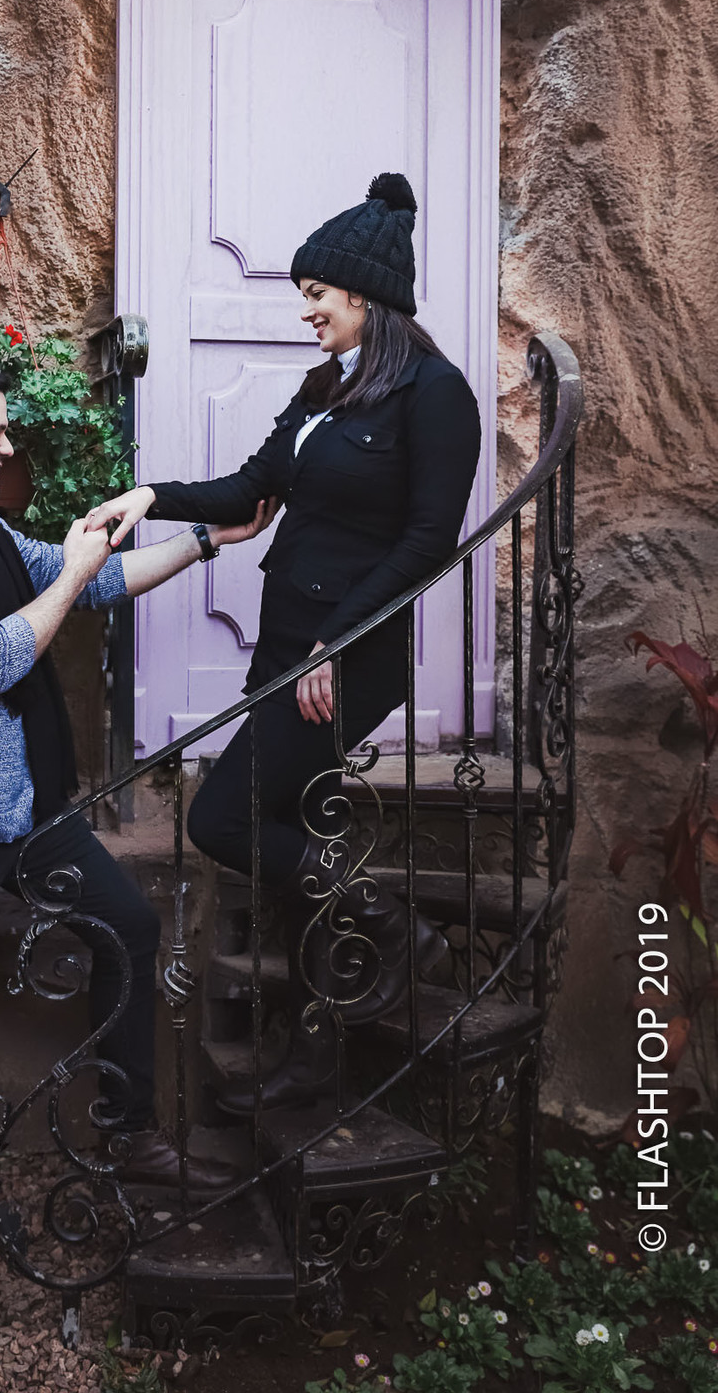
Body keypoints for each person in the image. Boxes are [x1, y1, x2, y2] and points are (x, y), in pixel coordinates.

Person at [0, 353, 274, 1312]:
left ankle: (128, 1131)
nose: (8, 445)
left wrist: (209, 539)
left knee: (126, 925)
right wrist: (76, 562)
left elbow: (93, 582)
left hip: (19, 804)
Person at [87, 174, 482, 1114]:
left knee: (220, 820)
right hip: (286, 648)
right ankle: (312, 1057)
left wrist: (336, 646)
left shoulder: (438, 395)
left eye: (316, 295)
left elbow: (430, 543)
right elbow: (252, 487)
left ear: (365, 296)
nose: (304, 311)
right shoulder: (325, 390)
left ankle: (392, 926)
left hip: (347, 656)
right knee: (293, 839)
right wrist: (151, 499)